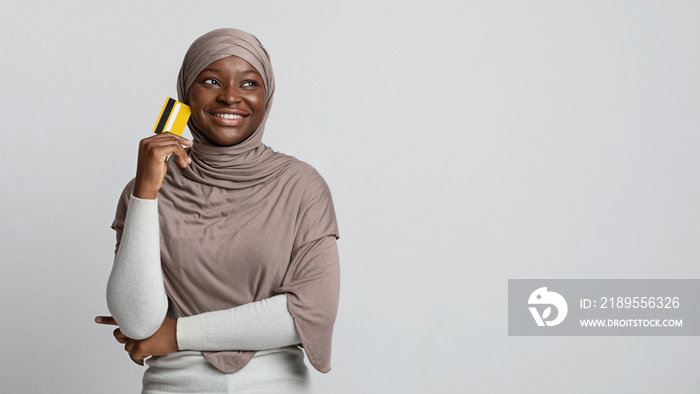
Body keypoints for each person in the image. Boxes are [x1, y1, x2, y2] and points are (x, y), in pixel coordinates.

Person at [95, 28, 340, 393]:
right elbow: (136, 322)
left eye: (249, 84)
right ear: (185, 94)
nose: (229, 97)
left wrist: (176, 334)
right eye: (211, 80)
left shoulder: (301, 186)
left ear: (266, 94)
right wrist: (146, 192)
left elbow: (310, 314)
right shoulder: (146, 190)